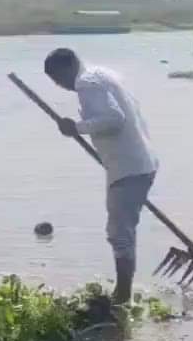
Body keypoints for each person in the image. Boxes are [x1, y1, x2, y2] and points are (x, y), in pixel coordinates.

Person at [43, 48, 159, 306]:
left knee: (119, 232)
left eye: (57, 79)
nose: (59, 85)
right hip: (139, 161)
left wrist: (78, 128)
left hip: (128, 166)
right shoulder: (103, 74)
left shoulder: (86, 83)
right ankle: (123, 293)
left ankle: (122, 297)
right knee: (122, 229)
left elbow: (114, 119)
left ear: (66, 68)